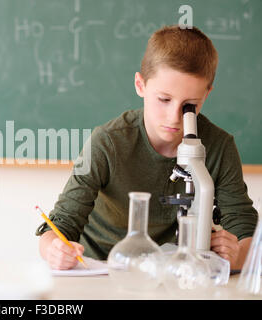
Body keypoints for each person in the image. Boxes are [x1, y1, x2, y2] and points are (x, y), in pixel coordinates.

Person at [35, 25, 258, 271]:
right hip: (100, 269)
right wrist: (54, 249)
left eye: (189, 106)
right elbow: (60, 224)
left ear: (207, 94)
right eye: (164, 99)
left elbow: (244, 227)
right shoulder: (107, 142)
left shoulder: (219, 146)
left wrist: (238, 255)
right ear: (140, 85)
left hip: (173, 274)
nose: (174, 117)